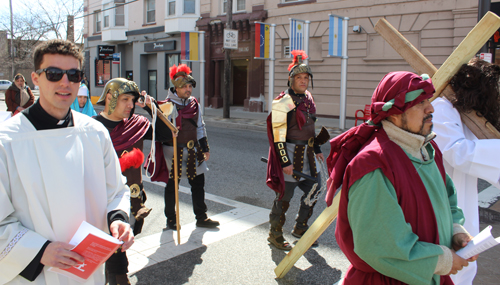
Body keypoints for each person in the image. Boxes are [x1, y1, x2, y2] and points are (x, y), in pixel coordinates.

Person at [0, 39, 133, 284]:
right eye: (53, 74)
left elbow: (116, 190)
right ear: (36, 79)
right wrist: (38, 250)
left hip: (88, 272)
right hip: (37, 274)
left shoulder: (94, 132)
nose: (65, 82)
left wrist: (118, 220)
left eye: (74, 74)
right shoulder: (7, 141)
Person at [326, 71, 477, 284]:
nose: (430, 108)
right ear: (394, 113)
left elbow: (447, 201)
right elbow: (380, 245)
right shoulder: (373, 164)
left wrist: (455, 231)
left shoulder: (429, 148)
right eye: (419, 103)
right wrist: (441, 261)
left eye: (428, 100)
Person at [94, 78, 173, 284]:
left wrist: (149, 107)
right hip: (103, 202)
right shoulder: (92, 127)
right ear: (110, 98)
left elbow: (168, 133)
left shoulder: (137, 123)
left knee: (119, 248)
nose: (130, 104)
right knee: (115, 254)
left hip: (132, 200)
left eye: (133, 99)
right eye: (125, 99)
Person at [431, 57, 500, 285]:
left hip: (463, 198)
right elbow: (457, 152)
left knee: (464, 264)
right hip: (443, 197)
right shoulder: (442, 107)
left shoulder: (468, 114)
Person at [265, 50, 327, 251]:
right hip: (289, 153)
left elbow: (311, 128)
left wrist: (317, 147)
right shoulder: (282, 101)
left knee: (315, 189)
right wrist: (285, 163)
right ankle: (274, 234)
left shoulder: (309, 97)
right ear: (291, 79)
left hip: (308, 155)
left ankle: (300, 228)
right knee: (284, 197)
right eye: (299, 77)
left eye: (306, 77)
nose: (303, 81)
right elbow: (277, 137)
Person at [147, 63, 219, 230]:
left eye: (189, 86)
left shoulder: (194, 103)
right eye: (185, 87)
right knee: (172, 186)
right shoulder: (166, 105)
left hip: (193, 150)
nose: (188, 89)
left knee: (198, 184)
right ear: (176, 88)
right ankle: (171, 219)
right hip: (173, 151)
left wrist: (205, 147)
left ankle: (201, 217)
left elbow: (200, 126)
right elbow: (160, 132)